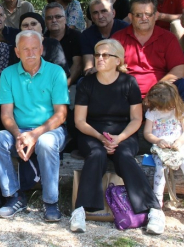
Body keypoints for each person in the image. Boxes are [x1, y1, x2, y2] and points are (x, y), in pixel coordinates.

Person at [70, 39, 164, 235]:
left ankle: (154, 210)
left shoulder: (128, 82)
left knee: (124, 156)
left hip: (124, 133)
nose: (100, 59)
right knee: (96, 154)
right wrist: (101, 137)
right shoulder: (86, 83)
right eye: (97, 55)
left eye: (105, 55)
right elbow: (80, 121)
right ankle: (80, 210)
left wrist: (119, 138)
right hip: (92, 132)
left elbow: (137, 118)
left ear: (118, 60)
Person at [0, 30, 69, 221]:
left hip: (50, 130)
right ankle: (14, 196)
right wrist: (18, 135)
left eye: (34, 48)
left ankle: (51, 202)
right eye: (25, 49)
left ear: (41, 49)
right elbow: (6, 114)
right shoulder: (8, 74)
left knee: (46, 143)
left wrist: (35, 135)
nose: (30, 53)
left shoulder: (56, 72)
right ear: (17, 52)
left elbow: (61, 114)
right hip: (20, 130)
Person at [112, 0, 184, 98]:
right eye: (138, 15)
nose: (144, 18)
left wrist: (155, 91)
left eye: (148, 14)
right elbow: (107, 68)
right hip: (123, 95)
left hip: (161, 95)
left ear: (155, 16)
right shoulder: (117, 39)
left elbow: (180, 69)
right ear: (130, 17)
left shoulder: (168, 38)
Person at [143, 82, 184, 207]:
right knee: (160, 168)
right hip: (161, 147)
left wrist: (180, 141)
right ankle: (157, 202)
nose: (168, 109)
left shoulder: (178, 110)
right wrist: (157, 141)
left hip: (178, 145)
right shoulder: (153, 112)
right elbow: (147, 133)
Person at [81, 0, 129, 75]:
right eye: (95, 13)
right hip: (99, 76)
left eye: (104, 11)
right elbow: (88, 68)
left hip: (123, 75)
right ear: (92, 18)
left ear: (113, 13)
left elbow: (128, 63)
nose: (100, 16)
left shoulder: (126, 30)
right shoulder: (86, 35)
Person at [19, 12, 70, 77]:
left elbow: (62, 73)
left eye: (33, 24)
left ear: (41, 27)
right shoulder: (17, 47)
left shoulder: (53, 44)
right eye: (25, 25)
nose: (30, 27)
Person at [43, 3, 82, 86]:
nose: (54, 20)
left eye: (58, 17)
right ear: (45, 22)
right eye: (49, 18)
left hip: (71, 84)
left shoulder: (76, 36)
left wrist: (63, 86)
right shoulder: (42, 40)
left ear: (65, 19)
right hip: (46, 85)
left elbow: (78, 65)